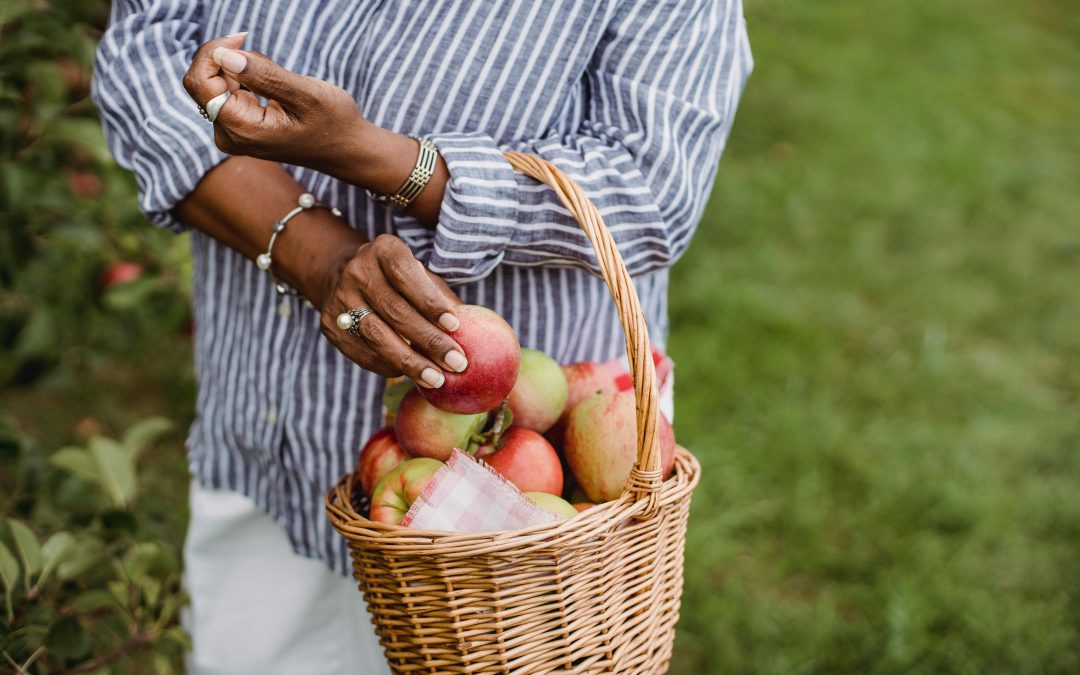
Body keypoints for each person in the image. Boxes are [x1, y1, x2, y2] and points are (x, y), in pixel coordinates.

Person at [93, 1, 751, 673]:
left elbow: (652, 184)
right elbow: (143, 51)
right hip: (271, 429)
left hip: (513, 515)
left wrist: (377, 157)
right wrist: (315, 255)